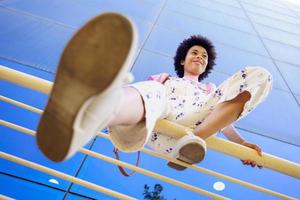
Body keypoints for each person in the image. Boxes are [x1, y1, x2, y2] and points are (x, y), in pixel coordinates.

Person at [37, 13, 272, 170]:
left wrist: (241, 144)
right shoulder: (165, 79)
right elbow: (147, 97)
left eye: (204, 56)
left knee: (261, 74)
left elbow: (224, 122)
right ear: (183, 60)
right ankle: (98, 113)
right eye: (195, 53)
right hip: (161, 119)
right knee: (153, 90)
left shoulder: (210, 91)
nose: (200, 57)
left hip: (193, 130)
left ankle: (194, 141)